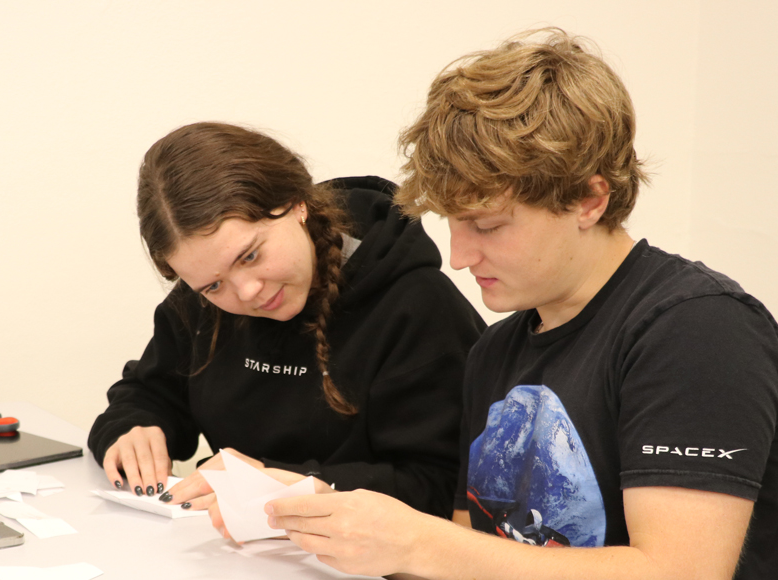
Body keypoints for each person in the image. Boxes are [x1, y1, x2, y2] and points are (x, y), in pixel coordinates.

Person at [266, 30, 778, 580]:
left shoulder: (697, 331)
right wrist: (332, 528)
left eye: (487, 225)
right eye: (453, 224)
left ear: (589, 197)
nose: (459, 256)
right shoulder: (499, 350)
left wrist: (423, 539)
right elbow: (476, 563)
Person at [89, 122, 485, 520]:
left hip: (379, 575)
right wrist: (133, 429)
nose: (246, 292)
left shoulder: (416, 307)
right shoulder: (203, 304)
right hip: (250, 560)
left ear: (297, 203)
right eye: (212, 286)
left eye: (250, 256)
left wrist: (291, 484)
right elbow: (149, 393)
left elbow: (443, 491)